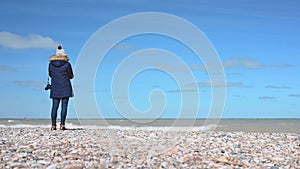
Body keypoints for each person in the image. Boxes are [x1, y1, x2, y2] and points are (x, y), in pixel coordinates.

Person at [48, 45, 74, 130]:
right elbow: (70, 75)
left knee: (54, 107)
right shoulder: (67, 64)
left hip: (55, 87)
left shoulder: (51, 64)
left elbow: (50, 75)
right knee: (64, 107)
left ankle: (53, 125)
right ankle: (62, 125)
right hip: (65, 86)